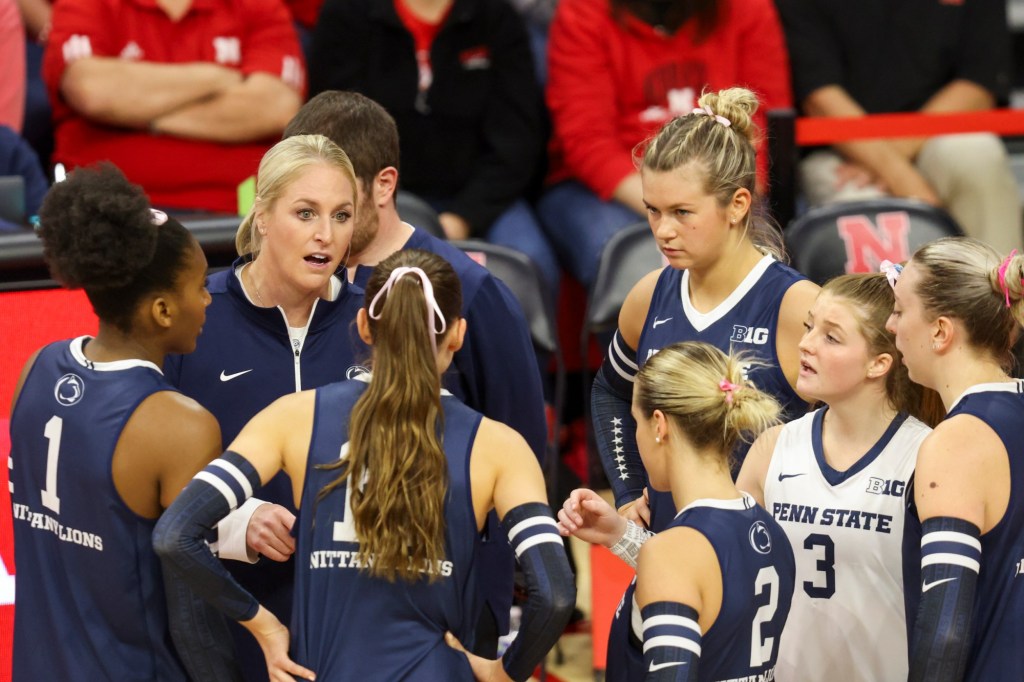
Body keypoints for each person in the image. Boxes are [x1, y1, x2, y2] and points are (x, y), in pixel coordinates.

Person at [155, 249, 577, 682]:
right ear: (457, 335)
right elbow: (556, 594)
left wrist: (265, 626)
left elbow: (175, 534)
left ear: (362, 327)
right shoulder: (500, 447)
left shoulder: (291, 418)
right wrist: (505, 672)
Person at [282, 90, 551, 653]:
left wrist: (491, 609)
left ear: (383, 186)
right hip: (320, 606)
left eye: (337, 200)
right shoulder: (297, 284)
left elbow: (521, 448)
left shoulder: (472, 294)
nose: (319, 219)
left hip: (444, 614)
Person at [162, 133, 367, 680]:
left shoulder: (376, 323)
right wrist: (235, 522)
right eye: (305, 213)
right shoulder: (195, 317)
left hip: (355, 623)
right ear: (261, 218)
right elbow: (141, 479)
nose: (326, 235)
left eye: (342, 215)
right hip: (226, 619)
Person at [8, 164, 224, 680]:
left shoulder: (33, 369)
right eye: (199, 286)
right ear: (163, 311)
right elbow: (199, 607)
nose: (208, 300)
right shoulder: (180, 425)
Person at [591, 87, 819, 533]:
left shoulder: (797, 307)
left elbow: (855, 434)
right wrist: (626, 491)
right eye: (652, 210)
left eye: (682, 212)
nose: (663, 230)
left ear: (737, 204)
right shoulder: (648, 295)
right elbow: (611, 391)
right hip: (670, 551)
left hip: (766, 563)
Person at [736, 272, 936, 681]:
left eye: (831, 337)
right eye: (809, 326)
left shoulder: (928, 456)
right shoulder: (772, 448)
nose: (805, 344)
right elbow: (721, 569)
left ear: (880, 363)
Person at [558, 341, 795, 680]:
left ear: (659, 425)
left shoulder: (674, 554)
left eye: (635, 422)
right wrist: (620, 535)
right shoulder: (769, 530)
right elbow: (713, 587)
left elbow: (684, 569)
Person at [307, 0, 559, 292]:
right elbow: (333, 133)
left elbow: (517, 140)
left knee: (531, 263)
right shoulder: (345, 14)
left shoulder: (497, 17)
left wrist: (463, 217)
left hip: (485, 198)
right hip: (376, 198)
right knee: (352, 267)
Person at [538, 0, 792, 289]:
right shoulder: (582, 11)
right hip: (611, 189)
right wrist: (670, 207)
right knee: (631, 264)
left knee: (778, 253)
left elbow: (766, 125)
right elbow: (587, 140)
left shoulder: (748, 8)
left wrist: (723, 204)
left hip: (725, 181)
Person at [775, 0, 1022, 255]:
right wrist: (907, 182)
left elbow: (979, 85)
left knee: (978, 155)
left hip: (939, 136)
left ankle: (1006, 288)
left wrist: (894, 165)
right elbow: (819, 97)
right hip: (839, 151)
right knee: (857, 207)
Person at [886, 237, 1024, 680]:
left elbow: (945, 633)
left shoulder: (957, 442)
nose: (890, 325)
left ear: (941, 331)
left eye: (900, 309)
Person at [41, 0, 305, 213]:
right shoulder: (88, 4)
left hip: (240, 219)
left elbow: (275, 107)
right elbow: (92, 91)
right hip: (107, 218)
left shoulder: (259, 6)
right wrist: (215, 77)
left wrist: (132, 110)